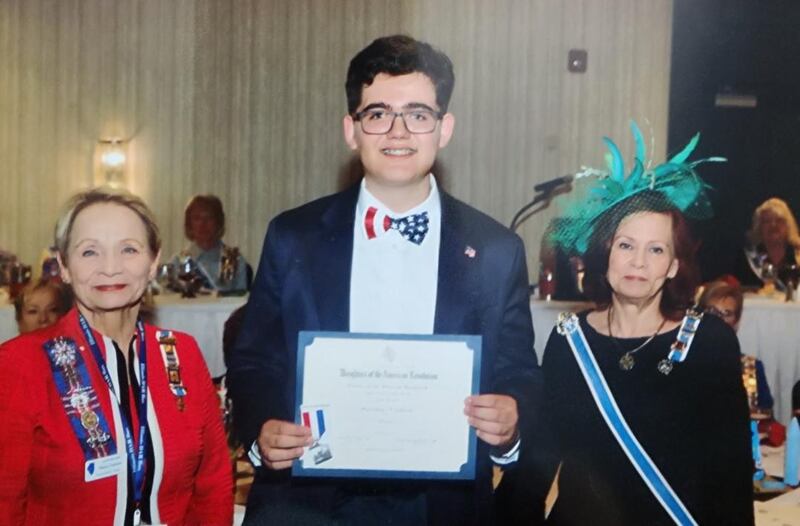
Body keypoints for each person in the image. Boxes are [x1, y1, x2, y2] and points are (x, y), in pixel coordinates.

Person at [227, 35, 539, 525]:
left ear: (444, 128)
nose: (398, 132)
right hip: (308, 502)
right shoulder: (292, 236)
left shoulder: (497, 249)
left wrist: (511, 421)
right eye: (377, 114)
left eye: (418, 114)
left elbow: (518, 370)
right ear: (351, 130)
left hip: (442, 506)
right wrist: (261, 428)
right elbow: (253, 361)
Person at [533, 123, 753, 524]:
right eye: (626, 245)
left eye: (655, 249)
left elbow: (732, 475)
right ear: (606, 254)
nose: (638, 262)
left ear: (672, 266)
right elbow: (538, 460)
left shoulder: (709, 344)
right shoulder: (569, 341)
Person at [0, 188, 232, 525]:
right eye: (90, 251)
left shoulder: (182, 354)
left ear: (153, 261)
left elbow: (213, 486)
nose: (110, 268)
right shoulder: (20, 363)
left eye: (128, 249)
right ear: (63, 266)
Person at [697, 279, 773, 415]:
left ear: (736, 322)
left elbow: (765, 420)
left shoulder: (752, 368)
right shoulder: (681, 362)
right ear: (699, 315)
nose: (718, 319)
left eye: (727, 314)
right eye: (712, 311)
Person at [178, 194, 250, 293]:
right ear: (189, 224)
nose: (203, 224)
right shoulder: (178, 262)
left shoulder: (235, 260)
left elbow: (242, 302)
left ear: (219, 222)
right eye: (197, 218)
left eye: (209, 217)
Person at [737, 197, 800, 291]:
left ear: (788, 226)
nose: (773, 225)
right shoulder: (746, 258)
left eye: (779, 220)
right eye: (767, 221)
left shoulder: (798, 253)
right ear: (759, 227)